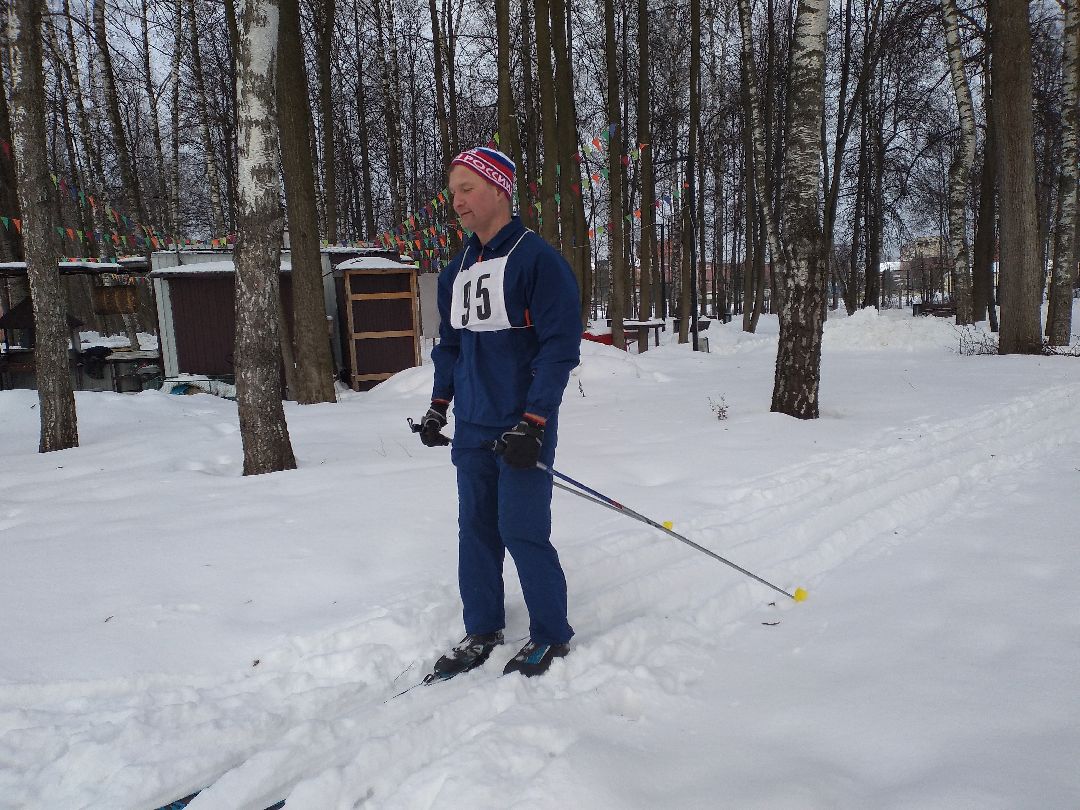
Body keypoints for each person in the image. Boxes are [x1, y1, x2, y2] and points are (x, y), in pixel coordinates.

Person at [414, 146, 582, 678]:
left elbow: (559, 348)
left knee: (521, 529)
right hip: (473, 427)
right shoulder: (456, 271)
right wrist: (439, 407)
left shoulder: (538, 260)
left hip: (520, 427)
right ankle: (482, 627)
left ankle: (551, 633)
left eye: (467, 188)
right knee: (476, 530)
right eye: (453, 189)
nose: (456, 200)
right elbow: (451, 347)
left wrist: (535, 421)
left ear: (499, 189)